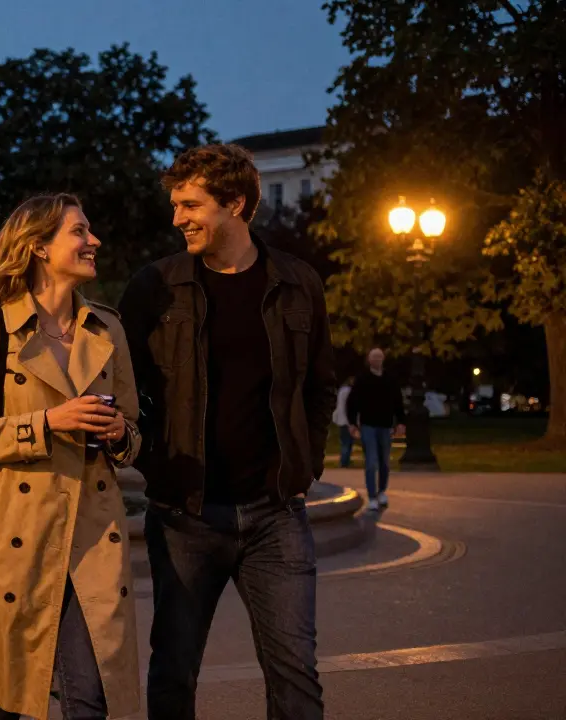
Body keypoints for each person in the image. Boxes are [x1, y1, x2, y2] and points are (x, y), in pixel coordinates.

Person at [118, 143, 336, 720]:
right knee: (173, 674)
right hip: (184, 518)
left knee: (296, 675)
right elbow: (124, 390)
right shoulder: (153, 287)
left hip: (276, 516)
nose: (176, 219)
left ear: (235, 203)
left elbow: (319, 386)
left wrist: (304, 467)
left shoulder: (298, 283)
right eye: (174, 205)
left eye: (189, 205)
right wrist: (156, 467)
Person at [0, 194, 144, 720]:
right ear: (39, 247)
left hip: (89, 537)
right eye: (79, 231)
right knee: (2, 704)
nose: (94, 241)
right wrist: (51, 422)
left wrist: (119, 432)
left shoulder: (107, 329)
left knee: (89, 701)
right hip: (11, 535)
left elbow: (136, 433)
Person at [345, 348, 406, 511]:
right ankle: (372, 495)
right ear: (368, 359)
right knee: (371, 461)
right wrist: (352, 423)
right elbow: (352, 402)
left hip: (386, 426)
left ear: (383, 359)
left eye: (379, 357)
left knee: (384, 462)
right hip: (368, 426)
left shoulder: (390, 379)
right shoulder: (363, 379)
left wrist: (401, 421)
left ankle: (381, 492)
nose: (377, 359)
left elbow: (398, 401)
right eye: (374, 357)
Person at [334, 376, 355, 468]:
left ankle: (345, 460)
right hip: (347, 421)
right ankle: (344, 461)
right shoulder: (349, 391)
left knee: (345, 441)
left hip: (341, 420)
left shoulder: (342, 390)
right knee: (348, 442)